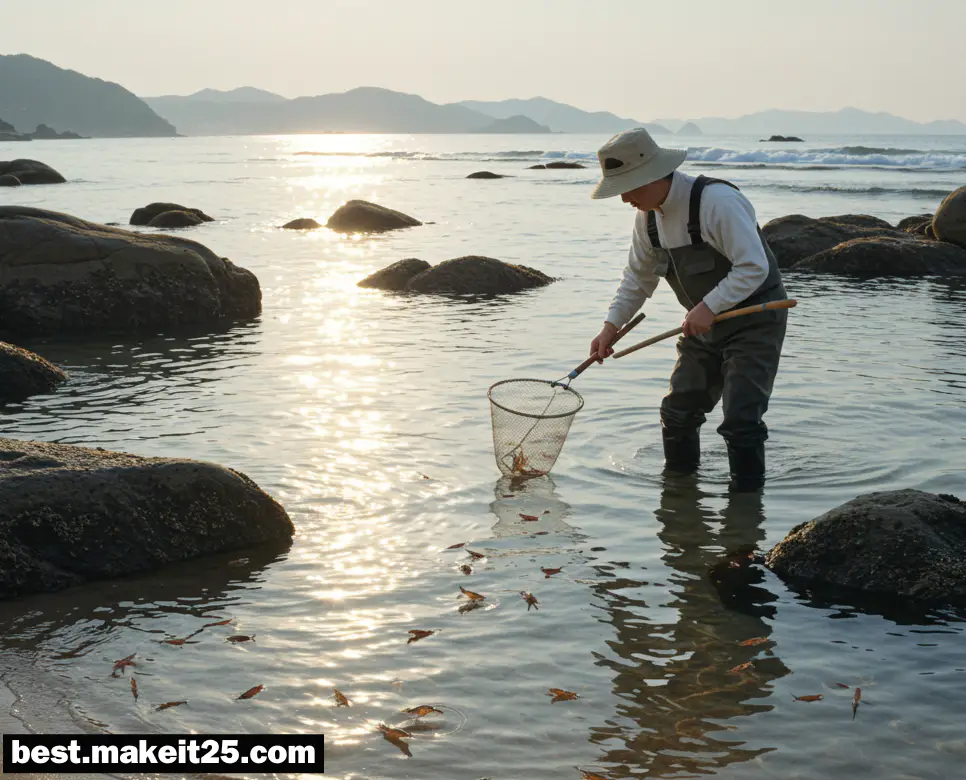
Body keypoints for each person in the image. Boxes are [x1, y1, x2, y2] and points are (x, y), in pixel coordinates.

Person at [588, 127, 787, 490]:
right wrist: (610, 326)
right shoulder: (647, 218)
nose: (624, 199)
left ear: (653, 175)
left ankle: (745, 514)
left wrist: (709, 306)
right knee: (677, 412)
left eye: (628, 187)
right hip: (702, 323)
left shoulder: (717, 202)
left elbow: (753, 267)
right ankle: (680, 501)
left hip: (755, 318)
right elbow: (638, 278)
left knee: (741, 419)